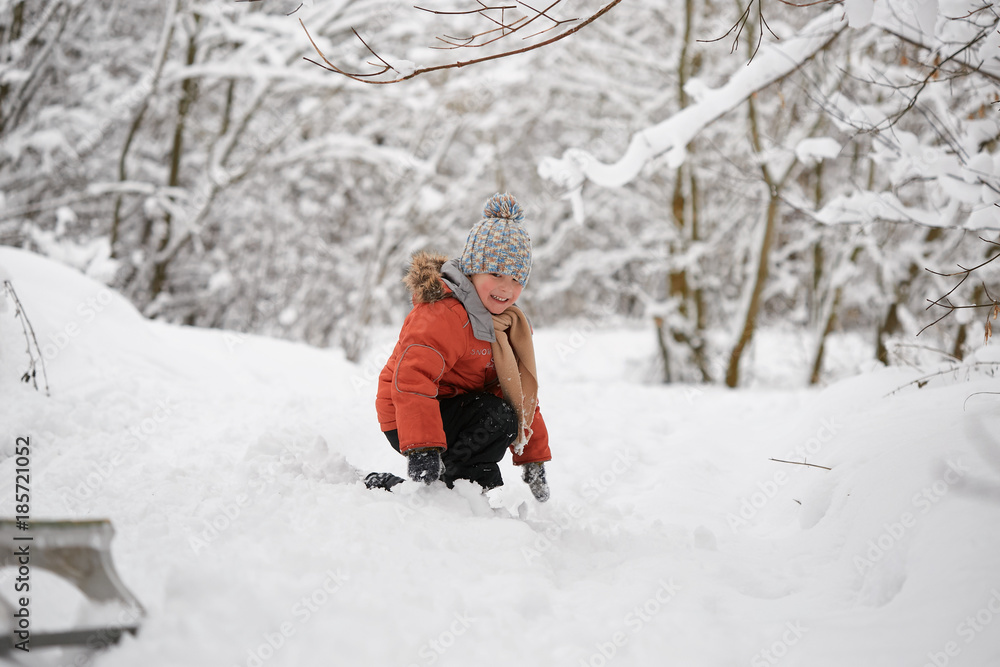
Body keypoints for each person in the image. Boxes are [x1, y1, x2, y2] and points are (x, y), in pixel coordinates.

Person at [367, 192, 551, 501]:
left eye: (517, 279)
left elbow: (515, 392)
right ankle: (439, 491)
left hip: (454, 409)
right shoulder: (445, 314)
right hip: (405, 413)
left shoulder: (507, 327)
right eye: (495, 274)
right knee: (496, 416)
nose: (506, 287)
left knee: (500, 414)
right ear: (472, 270)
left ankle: (457, 493)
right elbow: (413, 378)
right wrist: (423, 447)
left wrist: (534, 458)